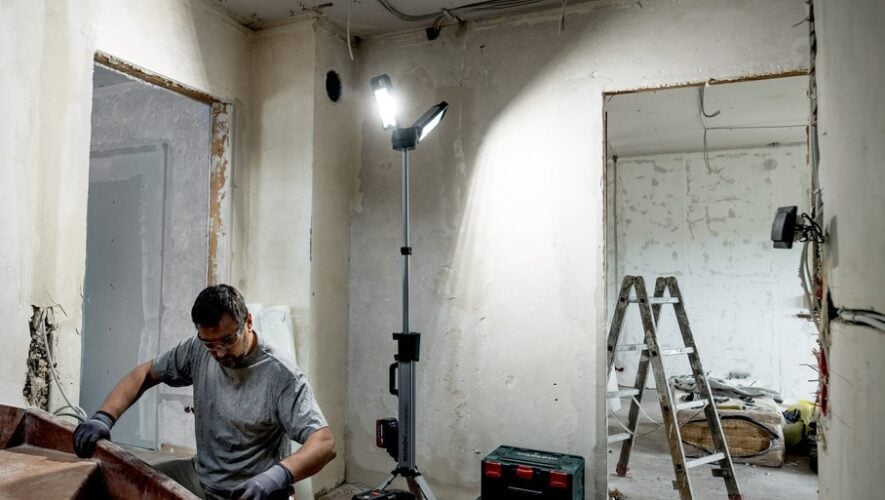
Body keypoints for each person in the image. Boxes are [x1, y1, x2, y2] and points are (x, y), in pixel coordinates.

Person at [73, 284, 335, 500]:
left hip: (253, 491)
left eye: (227, 341)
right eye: (210, 344)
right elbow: (146, 373)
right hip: (201, 477)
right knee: (124, 486)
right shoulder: (198, 350)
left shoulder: (281, 376)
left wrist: (277, 476)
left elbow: (324, 443)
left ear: (248, 322)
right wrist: (103, 417)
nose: (219, 353)